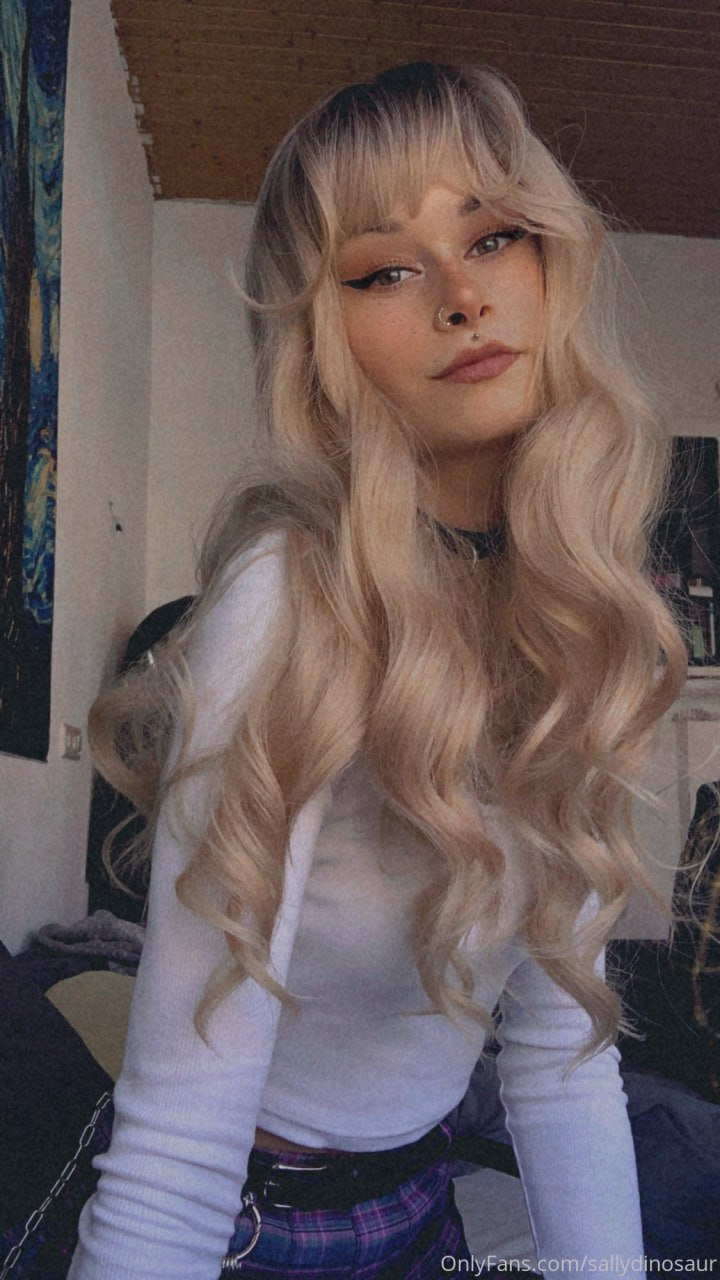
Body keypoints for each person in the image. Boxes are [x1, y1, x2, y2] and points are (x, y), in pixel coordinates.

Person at [68, 61, 687, 1280]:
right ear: (321, 336)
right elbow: (178, 1136)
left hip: (420, 1202)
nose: (463, 296)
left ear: (549, 260)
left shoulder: (575, 611)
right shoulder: (287, 601)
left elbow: (562, 1062)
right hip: (249, 1226)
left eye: (493, 236)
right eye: (386, 269)